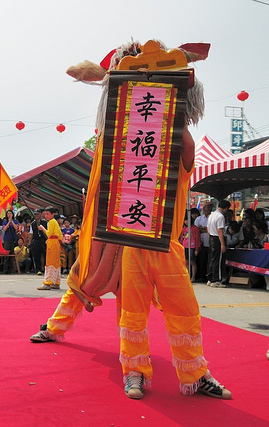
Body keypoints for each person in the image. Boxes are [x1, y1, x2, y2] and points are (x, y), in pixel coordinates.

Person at [31, 39, 231, 401]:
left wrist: (166, 98)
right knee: (127, 311)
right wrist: (121, 86)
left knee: (185, 310)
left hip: (165, 245)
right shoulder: (123, 156)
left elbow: (185, 144)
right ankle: (134, 372)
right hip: (129, 243)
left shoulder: (178, 154)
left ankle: (196, 374)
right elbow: (97, 108)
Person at [37, 207, 63, 290]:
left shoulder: (51, 222)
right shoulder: (54, 222)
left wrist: (42, 228)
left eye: (47, 214)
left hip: (53, 243)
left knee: (50, 262)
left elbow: (48, 234)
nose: (46, 215)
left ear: (52, 214)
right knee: (55, 262)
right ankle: (55, 282)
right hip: (55, 242)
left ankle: (48, 283)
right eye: (45, 214)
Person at [206, 200, 230, 288]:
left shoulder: (211, 215)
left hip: (211, 237)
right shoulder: (220, 217)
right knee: (218, 260)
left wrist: (210, 239)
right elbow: (220, 230)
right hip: (217, 238)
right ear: (226, 208)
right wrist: (222, 244)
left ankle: (210, 278)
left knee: (211, 259)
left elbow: (207, 228)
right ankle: (215, 279)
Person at [194, 203, 213, 282]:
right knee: (201, 260)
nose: (209, 209)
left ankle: (208, 275)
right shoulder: (199, 218)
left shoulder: (212, 218)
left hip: (210, 242)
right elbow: (196, 229)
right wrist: (206, 229)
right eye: (207, 207)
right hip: (201, 242)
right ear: (204, 208)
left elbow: (212, 229)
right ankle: (201, 275)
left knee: (209, 260)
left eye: (210, 207)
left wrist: (203, 229)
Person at [181, 211, 200, 281]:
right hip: (185, 246)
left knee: (192, 261)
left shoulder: (195, 228)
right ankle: (187, 276)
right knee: (186, 261)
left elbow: (197, 239)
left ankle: (193, 277)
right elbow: (181, 238)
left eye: (187, 220)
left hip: (192, 247)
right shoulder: (184, 229)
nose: (186, 222)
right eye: (185, 220)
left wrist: (197, 249)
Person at [1, 210, 20, 274]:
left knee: (13, 254)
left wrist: (12, 222)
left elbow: (16, 229)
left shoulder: (15, 221)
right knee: (7, 255)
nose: (9, 215)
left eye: (10, 213)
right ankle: (5, 269)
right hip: (7, 239)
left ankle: (13, 269)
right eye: (8, 213)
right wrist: (8, 222)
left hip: (13, 239)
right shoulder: (4, 221)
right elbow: (4, 229)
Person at [28, 209, 47, 275]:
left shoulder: (45, 222)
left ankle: (46, 269)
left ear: (40, 214)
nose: (36, 215)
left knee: (46, 256)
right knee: (36, 256)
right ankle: (38, 270)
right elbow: (31, 234)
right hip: (36, 241)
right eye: (35, 214)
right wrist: (30, 243)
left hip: (44, 240)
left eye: (37, 214)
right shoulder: (32, 223)